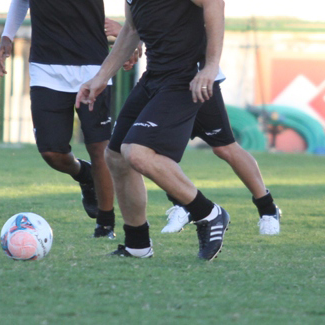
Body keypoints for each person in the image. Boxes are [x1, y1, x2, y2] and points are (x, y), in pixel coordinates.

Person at [77, 0, 230, 261]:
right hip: (156, 76)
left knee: (138, 153)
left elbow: (214, 3)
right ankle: (138, 243)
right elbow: (132, 29)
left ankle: (208, 213)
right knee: (115, 156)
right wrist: (100, 78)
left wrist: (209, 68)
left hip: (186, 77)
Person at [0, 0, 123, 239]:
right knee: (52, 152)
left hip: (92, 69)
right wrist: (8, 37)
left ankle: (106, 223)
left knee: (100, 148)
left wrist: (130, 33)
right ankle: (84, 177)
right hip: (46, 69)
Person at [104, 15, 281, 235]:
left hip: (192, 78)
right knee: (145, 148)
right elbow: (149, 20)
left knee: (224, 147)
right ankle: (182, 206)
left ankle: (267, 209)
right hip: (160, 79)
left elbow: (200, 13)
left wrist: (210, 66)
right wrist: (133, 39)